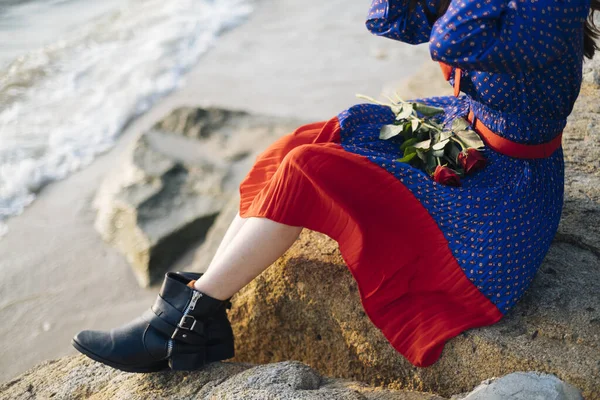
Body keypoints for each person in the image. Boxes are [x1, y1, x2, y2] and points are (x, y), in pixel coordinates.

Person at [72, 0, 600, 371]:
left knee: (309, 169)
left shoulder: (552, 4)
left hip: (504, 188)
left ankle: (176, 330)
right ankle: (194, 301)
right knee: (310, 139)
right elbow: (390, 17)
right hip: (464, 134)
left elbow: (451, 38)